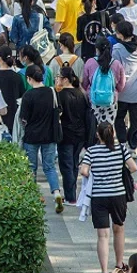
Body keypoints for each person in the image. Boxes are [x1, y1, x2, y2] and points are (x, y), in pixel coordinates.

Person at [79, 122, 137, 273]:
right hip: (118, 195)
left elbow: (84, 171)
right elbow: (133, 167)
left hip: (99, 196)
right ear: (112, 134)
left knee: (102, 235)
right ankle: (119, 265)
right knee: (119, 229)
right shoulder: (120, 150)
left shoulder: (91, 151)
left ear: (98, 135)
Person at [19, 65, 63, 212]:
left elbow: (23, 119)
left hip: (31, 136)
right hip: (49, 135)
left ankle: (33, 197)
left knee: (31, 167)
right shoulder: (51, 92)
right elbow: (59, 111)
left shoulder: (28, 95)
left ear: (29, 79)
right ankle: (56, 193)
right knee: (49, 167)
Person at [56, 68, 88, 205]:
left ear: (65, 79)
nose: (57, 79)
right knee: (74, 164)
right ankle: (72, 193)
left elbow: (58, 114)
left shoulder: (61, 95)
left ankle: (70, 196)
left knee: (67, 165)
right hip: (80, 134)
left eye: (59, 76)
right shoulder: (81, 94)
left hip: (66, 134)